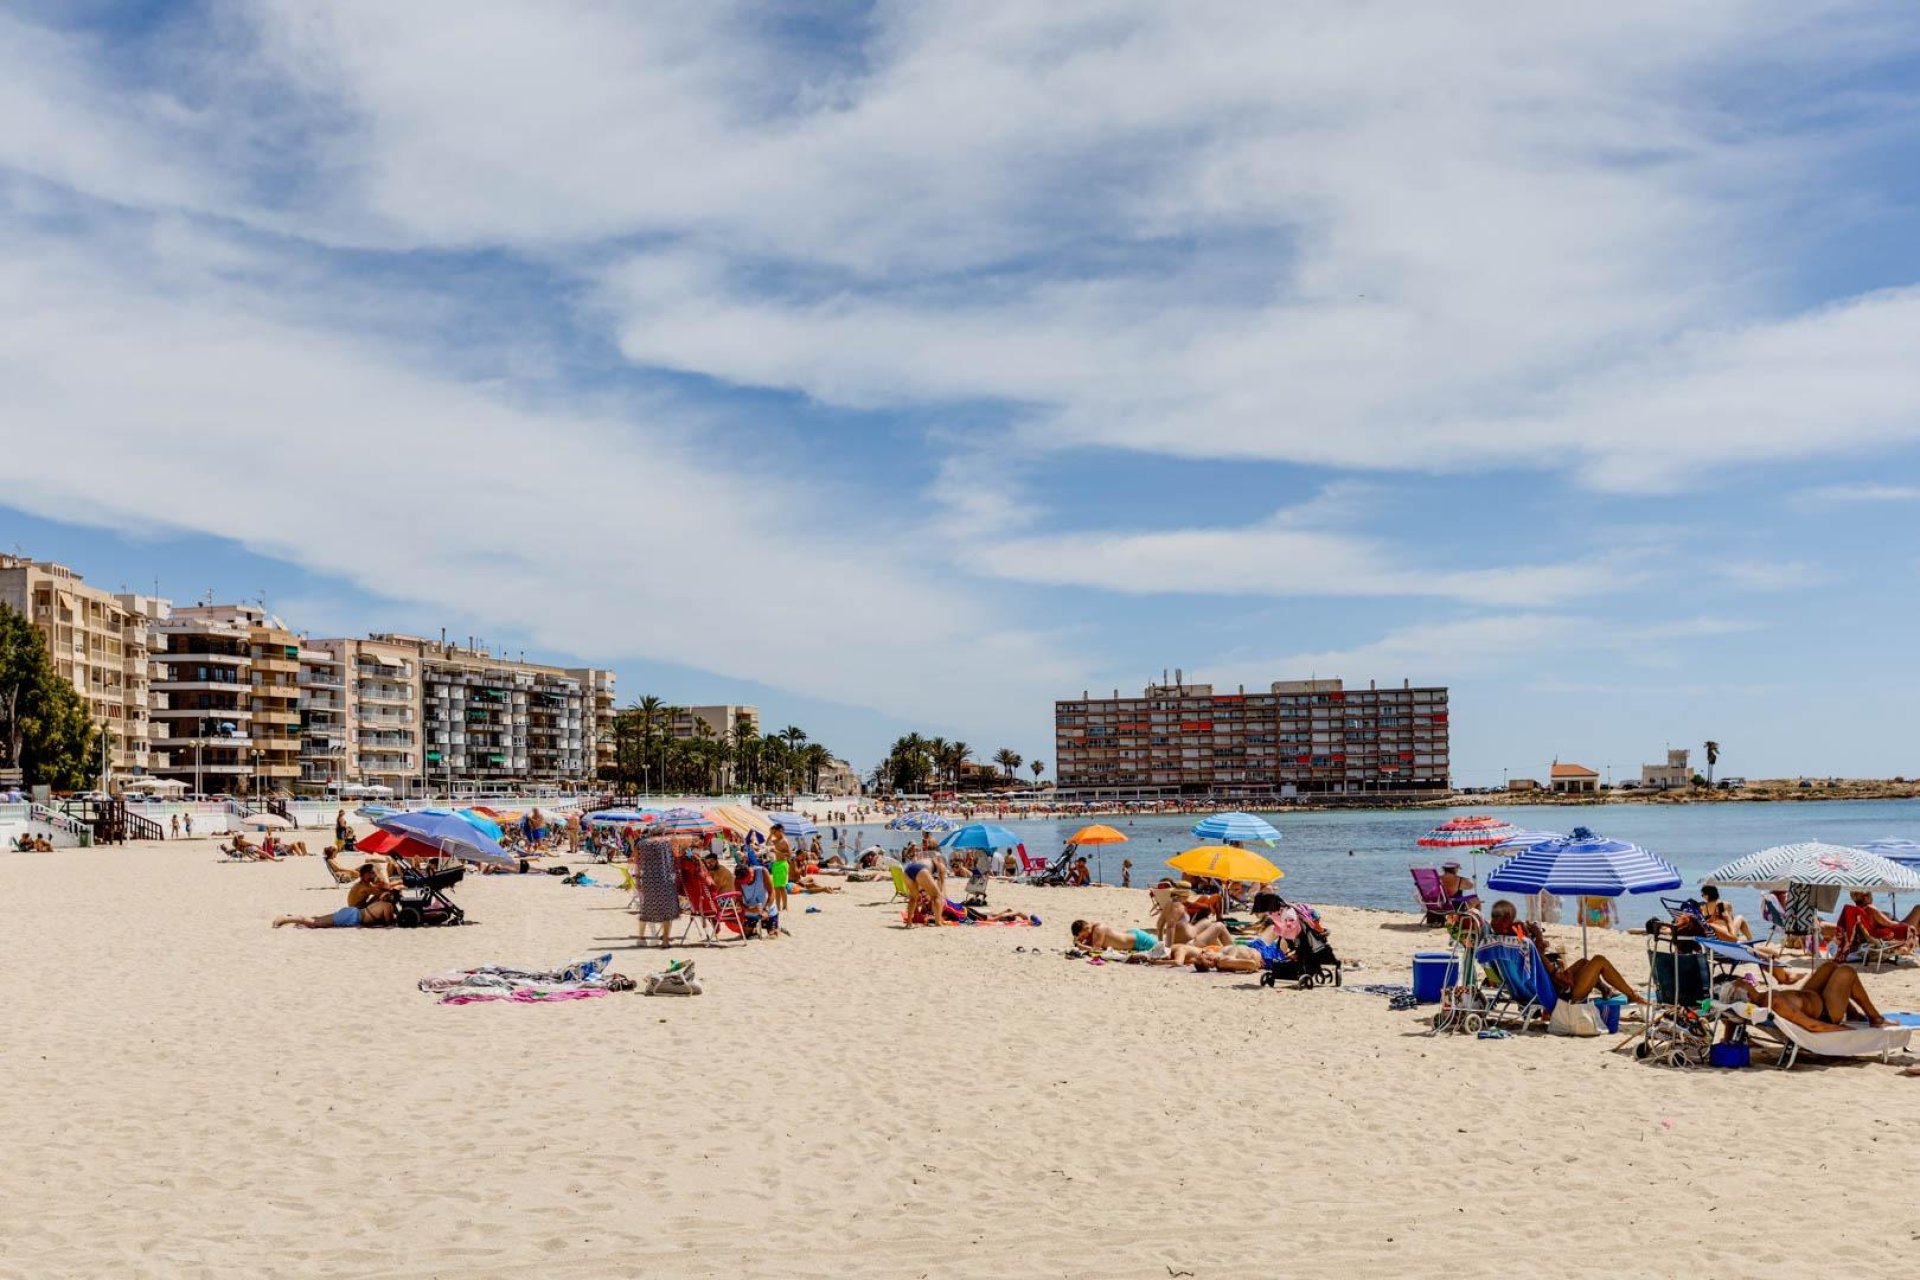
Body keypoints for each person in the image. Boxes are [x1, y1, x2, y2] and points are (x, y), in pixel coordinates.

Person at [1486, 899, 1645, 1005]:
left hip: (1526, 992)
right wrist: (1538, 936)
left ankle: (1606, 990)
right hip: (1559, 995)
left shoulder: (1500, 945)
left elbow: (1534, 956)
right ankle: (1632, 995)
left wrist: (1533, 940)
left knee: (1584, 962)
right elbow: (1545, 964)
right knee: (1599, 960)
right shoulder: (1522, 941)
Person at [1726, 960, 1890, 1031]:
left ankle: (1852, 1013)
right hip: (1826, 1013)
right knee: (1847, 972)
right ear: (1746, 995)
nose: (1742, 980)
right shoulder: (1773, 1003)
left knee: (1830, 966)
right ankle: (1875, 1018)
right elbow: (1812, 1025)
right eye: (1741, 983)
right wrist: (1841, 1029)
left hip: (1812, 997)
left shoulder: (1763, 998)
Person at [273, 863, 400, 928]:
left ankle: (293, 919)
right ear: (365, 875)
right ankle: (286, 918)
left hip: (353, 913)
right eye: (371, 873)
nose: (374, 875)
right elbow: (382, 892)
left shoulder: (366, 885)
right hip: (353, 913)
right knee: (315, 923)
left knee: (319, 922)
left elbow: (383, 891)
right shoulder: (365, 887)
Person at [631, 834, 682, 947]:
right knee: (667, 910)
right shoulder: (670, 842)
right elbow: (677, 860)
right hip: (666, 881)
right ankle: (665, 940)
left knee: (646, 908)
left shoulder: (641, 844)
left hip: (649, 881)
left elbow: (636, 863)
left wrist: (638, 880)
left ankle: (641, 938)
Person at [766, 824, 794, 914]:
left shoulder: (784, 841)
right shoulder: (776, 840)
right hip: (776, 864)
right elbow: (767, 843)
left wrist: (776, 851)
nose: (774, 834)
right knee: (776, 887)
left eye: (774, 832)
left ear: (780, 830)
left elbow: (789, 855)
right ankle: (778, 907)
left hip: (782, 864)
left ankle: (785, 906)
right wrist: (770, 834)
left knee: (782, 887)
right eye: (773, 833)